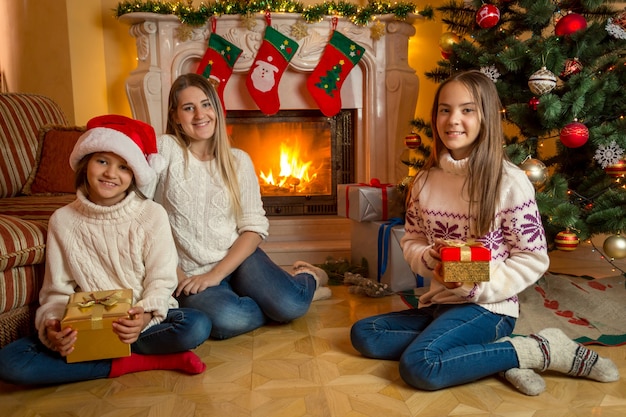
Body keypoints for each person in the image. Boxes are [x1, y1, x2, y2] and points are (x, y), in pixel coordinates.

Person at [350, 70, 619, 395]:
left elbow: (532, 258)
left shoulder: (509, 182)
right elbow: (413, 239)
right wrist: (427, 256)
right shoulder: (423, 182)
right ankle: (487, 356)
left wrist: (477, 283)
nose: (453, 120)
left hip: (490, 308)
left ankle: (539, 349)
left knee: (421, 364)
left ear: (486, 118)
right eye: (445, 109)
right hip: (440, 302)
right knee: (365, 333)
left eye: (467, 110)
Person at [0, 115, 211, 385]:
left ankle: (106, 359)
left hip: (139, 325)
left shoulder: (151, 214)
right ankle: (138, 362)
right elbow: (56, 291)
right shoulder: (62, 221)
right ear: (86, 163)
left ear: (134, 174)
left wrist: (145, 315)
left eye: (124, 167)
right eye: (102, 161)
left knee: (196, 325)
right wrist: (55, 327)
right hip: (89, 327)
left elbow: (161, 279)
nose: (111, 173)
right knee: (10, 363)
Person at [150, 73, 331, 340]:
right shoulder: (165, 149)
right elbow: (146, 215)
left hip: (239, 259)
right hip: (188, 270)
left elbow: (254, 228)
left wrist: (216, 274)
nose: (200, 114)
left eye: (206, 104)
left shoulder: (238, 161)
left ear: (216, 110)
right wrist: (173, 273)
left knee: (290, 305)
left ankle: (309, 277)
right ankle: (277, 298)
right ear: (175, 116)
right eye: (189, 108)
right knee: (228, 320)